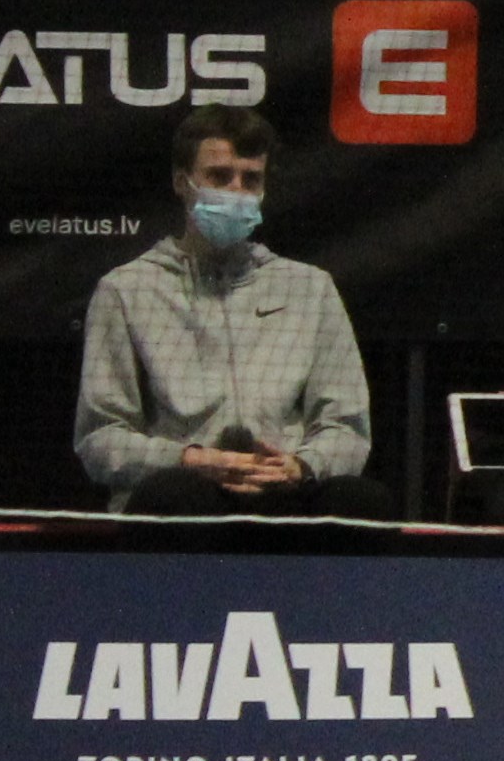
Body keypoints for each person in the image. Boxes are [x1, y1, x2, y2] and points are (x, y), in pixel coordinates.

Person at [75, 106, 390, 523]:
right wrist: (190, 460)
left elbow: (347, 426)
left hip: (283, 491)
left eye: (250, 179)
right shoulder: (127, 290)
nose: (236, 191)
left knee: (362, 501)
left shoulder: (310, 288)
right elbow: (100, 438)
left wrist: (301, 466)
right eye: (220, 177)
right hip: (184, 489)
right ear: (182, 182)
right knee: (177, 497)